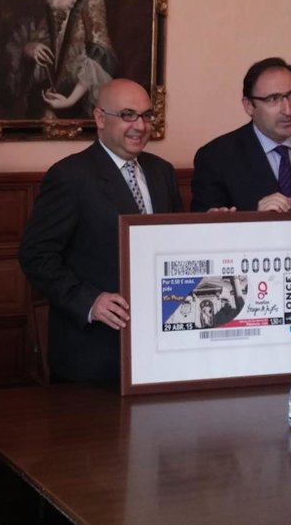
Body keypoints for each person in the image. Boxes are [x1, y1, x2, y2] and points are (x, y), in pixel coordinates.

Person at [18, 79, 181, 383]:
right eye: (128, 115)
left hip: (156, 345)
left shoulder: (162, 172)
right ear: (100, 118)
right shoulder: (70, 176)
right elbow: (36, 255)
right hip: (93, 351)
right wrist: (90, 302)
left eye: (147, 116)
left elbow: (174, 246)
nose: (140, 126)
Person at [190, 57, 291, 257]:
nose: (288, 110)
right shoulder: (216, 157)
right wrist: (255, 222)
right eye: (273, 99)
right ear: (249, 106)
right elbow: (202, 241)